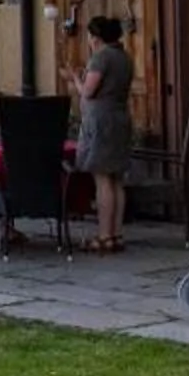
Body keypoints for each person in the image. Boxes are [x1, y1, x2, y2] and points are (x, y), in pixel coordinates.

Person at [68, 16, 134, 254]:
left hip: (102, 122)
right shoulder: (124, 58)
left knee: (103, 179)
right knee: (117, 179)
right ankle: (117, 234)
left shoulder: (101, 57)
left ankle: (104, 235)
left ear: (95, 38)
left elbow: (88, 91)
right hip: (120, 118)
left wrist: (75, 78)